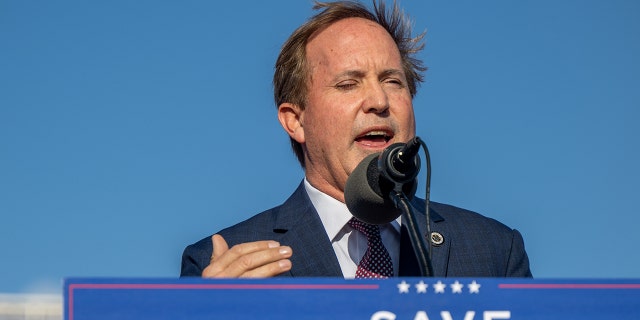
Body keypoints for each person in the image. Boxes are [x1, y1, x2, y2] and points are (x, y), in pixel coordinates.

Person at [181, 0, 532, 278]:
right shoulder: (221, 262)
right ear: (295, 120)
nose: (379, 102)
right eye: (349, 84)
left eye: (393, 81)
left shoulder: (495, 251)